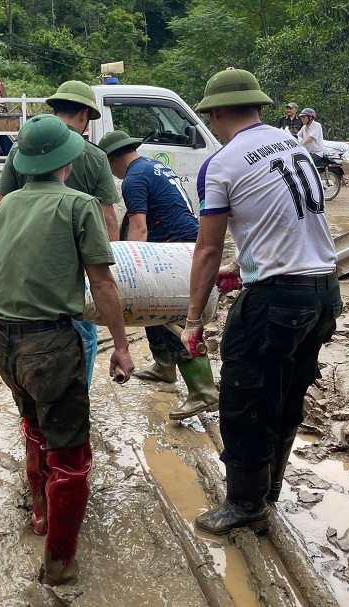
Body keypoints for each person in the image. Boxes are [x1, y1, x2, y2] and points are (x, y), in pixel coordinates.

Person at [181, 68, 342, 535]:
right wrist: (243, 265)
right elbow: (283, 219)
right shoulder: (289, 142)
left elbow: (207, 249)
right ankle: (269, 488)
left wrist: (193, 320)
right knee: (287, 391)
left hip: (277, 301)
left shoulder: (221, 164)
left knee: (243, 398)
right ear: (257, 106)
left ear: (215, 113)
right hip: (324, 291)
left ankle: (246, 503)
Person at [0, 114, 134, 586]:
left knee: (34, 426)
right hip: (50, 344)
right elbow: (102, 282)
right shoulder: (78, 205)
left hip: (4, 340)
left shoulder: (7, 205)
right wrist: (122, 346)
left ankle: (42, 516)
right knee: (70, 454)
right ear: (67, 163)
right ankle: (60, 564)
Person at [0, 80, 120, 387]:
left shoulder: (22, 149)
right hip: (75, 267)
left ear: (54, 110)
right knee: (82, 334)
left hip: (25, 272)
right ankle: (78, 394)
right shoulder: (94, 157)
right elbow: (108, 218)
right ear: (85, 114)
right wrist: (110, 266)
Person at [98, 130, 218, 421]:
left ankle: (204, 392)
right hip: (185, 244)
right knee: (149, 308)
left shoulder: (133, 179)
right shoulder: (154, 166)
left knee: (172, 315)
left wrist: (125, 268)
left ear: (111, 159)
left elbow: (139, 229)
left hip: (175, 249)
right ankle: (164, 367)